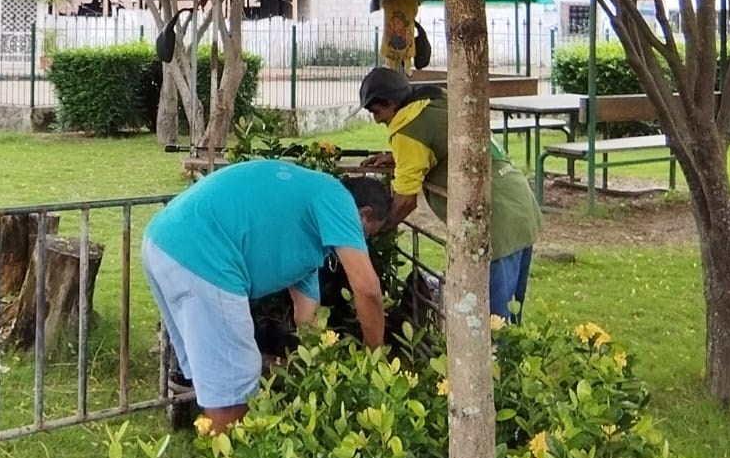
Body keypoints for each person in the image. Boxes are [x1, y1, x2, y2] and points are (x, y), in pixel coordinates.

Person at [141, 159, 391, 433]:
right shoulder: (337, 198)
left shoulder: (309, 234)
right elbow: (368, 289)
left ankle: (222, 444)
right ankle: (228, 455)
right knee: (236, 376)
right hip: (200, 251)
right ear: (363, 214)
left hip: (164, 242)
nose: (362, 242)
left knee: (220, 372)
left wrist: (323, 369)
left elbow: (307, 320)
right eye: (368, 234)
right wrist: (374, 358)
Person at [358, 66, 543, 322]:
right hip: (518, 200)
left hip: (495, 217)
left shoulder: (407, 130)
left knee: (494, 323)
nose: (378, 120)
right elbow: (445, 143)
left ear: (391, 103)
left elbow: (405, 202)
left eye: (377, 112)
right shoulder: (435, 99)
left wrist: (373, 232)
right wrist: (398, 157)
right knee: (510, 316)